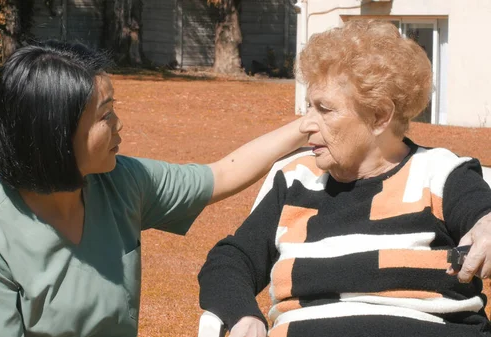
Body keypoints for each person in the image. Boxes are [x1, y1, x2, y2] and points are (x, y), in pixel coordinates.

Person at [0, 40, 307, 337]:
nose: (119, 124)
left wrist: (306, 127)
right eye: (105, 114)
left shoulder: (118, 182)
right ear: (56, 134)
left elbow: (221, 175)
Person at [198, 20, 491, 337]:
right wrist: (244, 315)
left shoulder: (440, 173)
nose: (306, 125)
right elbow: (230, 260)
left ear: (379, 116)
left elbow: (480, 214)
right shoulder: (296, 181)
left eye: (324, 109)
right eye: (309, 106)